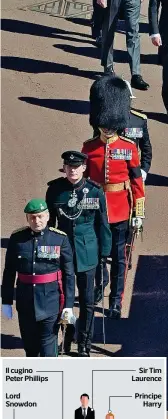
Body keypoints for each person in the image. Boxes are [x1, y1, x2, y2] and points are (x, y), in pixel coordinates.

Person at [82, 76, 145, 320]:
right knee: (97, 256)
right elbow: (85, 182)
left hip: (120, 208)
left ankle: (116, 301)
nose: (107, 127)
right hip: (96, 208)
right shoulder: (89, 148)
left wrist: (138, 212)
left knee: (119, 259)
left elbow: (137, 181)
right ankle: (99, 286)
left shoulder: (128, 148)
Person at [45, 151, 111, 356]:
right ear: (64, 168)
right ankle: (61, 339)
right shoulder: (55, 190)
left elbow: (103, 224)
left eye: (76, 167)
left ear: (84, 168)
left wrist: (104, 253)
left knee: (87, 301)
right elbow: (50, 225)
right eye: (69, 167)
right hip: (62, 252)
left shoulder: (94, 191)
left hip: (87, 251)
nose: (72, 170)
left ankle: (84, 342)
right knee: (61, 299)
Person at [1, 198, 75, 357]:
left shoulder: (59, 239)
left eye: (40, 216)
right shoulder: (17, 239)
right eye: (32, 217)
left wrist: (68, 305)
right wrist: (6, 301)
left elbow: (69, 274)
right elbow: (9, 272)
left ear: (48, 216)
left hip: (50, 304)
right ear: (27, 219)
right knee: (31, 350)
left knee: (49, 351)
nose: (37, 220)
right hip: (25, 303)